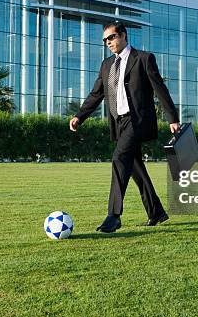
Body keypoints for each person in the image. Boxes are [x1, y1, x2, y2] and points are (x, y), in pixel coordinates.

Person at [69, 21, 180, 233]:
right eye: (105, 40)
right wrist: (79, 116)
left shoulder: (144, 59)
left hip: (138, 121)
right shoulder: (107, 65)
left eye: (111, 37)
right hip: (118, 122)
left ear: (123, 35)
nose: (108, 42)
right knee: (135, 166)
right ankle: (156, 211)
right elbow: (97, 94)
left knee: (119, 158)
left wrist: (172, 118)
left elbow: (160, 90)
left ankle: (114, 215)